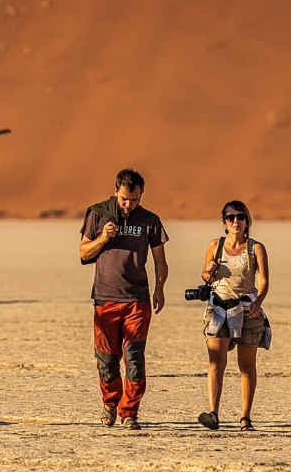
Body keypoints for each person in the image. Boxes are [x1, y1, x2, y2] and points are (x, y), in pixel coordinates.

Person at [79, 168, 169, 430]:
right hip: (105, 299)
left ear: (142, 195)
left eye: (134, 199)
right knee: (107, 361)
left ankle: (130, 412)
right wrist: (104, 237)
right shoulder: (98, 214)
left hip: (137, 300)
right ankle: (110, 403)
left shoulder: (150, 220)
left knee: (134, 358)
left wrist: (159, 288)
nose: (129, 204)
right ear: (115, 190)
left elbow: (160, 261)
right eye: (124, 199)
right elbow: (84, 252)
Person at [197, 200, 270, 432]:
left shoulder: (256, 248)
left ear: (247, 221)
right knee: (215, 362)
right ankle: (213, 413)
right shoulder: (215, 245)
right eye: (230, 218)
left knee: (246, 365)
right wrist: (209, 272)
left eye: (240, 217)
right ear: (224, 222)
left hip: (247, 309)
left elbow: (264, 281)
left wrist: (258, 303)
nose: (235, 221)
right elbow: (205, 276)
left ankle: (245, 417)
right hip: (219, 308)